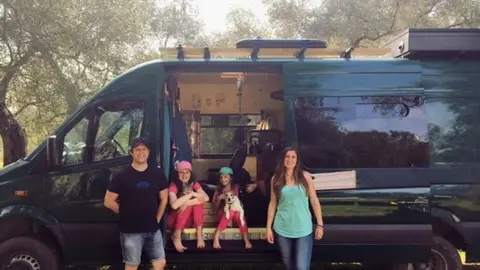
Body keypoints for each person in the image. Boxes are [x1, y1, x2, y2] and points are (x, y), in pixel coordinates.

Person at [104, 137, 169, 270]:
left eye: (144, 149)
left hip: (153, 229)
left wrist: (156, 219)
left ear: (148, 152)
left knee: (160, 263)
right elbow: (108, 202)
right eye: (137, 149)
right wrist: (126, 214)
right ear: (131, 153)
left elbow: (164, 198)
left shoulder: (157, 173)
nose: (141, 152)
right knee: (132, 265)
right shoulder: (121, 175)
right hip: (130, 231)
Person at [266, 147, 324, 270]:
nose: (290, 160)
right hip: (282, 229)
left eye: (293, 157)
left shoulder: (305, 177)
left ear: (297, 160)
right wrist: (268, 228)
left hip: (303, 229)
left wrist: (320, 224)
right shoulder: (275, 179)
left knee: (301, 267)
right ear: (282, 159)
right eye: (287, 156)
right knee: (289, 266)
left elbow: (314, 200)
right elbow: (272, 204)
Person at [167, 160, 209, 253]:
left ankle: (199, 234)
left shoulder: (194, 184)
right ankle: (176, 236)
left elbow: (206, 197)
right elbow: (174, 205)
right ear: (177, 174)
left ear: (190, 173)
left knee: (196, 204)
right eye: (181, 172)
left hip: (190, 221)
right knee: (191, 203)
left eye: (187, 172)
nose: (184, 175)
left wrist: (187, 202)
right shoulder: (173, 186)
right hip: (175, 222)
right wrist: (191, 195)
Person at [212, 167, 252, 249]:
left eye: (226, 177)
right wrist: (219, 199)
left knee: (238, 213)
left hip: (236, 217)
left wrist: (255, 185)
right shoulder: (218, 190)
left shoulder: (236, 188)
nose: (223, 179)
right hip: (224, 216)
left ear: (231, 178)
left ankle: (246, 239)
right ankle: (216, 237)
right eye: (221, 177)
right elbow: (214, 209)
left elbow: (241, 204)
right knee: (230, 211)